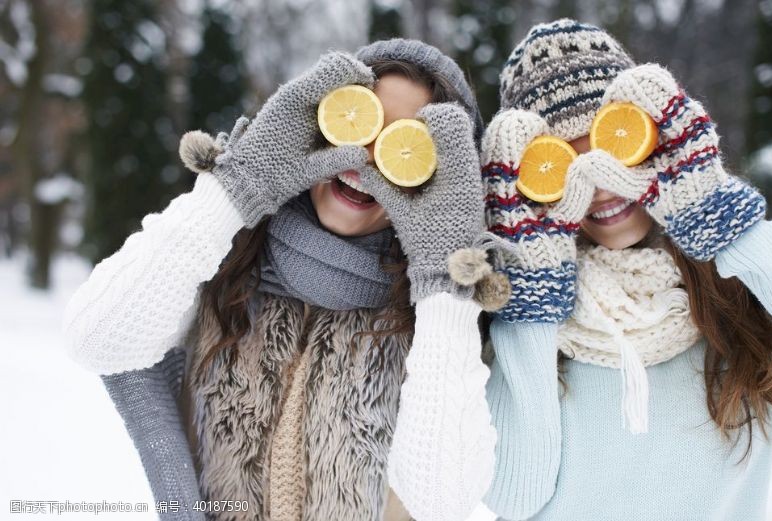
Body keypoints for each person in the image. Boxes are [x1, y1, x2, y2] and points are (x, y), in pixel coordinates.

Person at [62, 39, 496, 521]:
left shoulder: (444, 323)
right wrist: (237, 188)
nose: (364, 161)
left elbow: (443, 501)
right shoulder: (220, 255)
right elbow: (97, 340)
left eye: (404, 146)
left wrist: (443, 281)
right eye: (358, 120)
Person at [474, 19, 772, 520]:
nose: (598, 182)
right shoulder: (521, 325)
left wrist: (714, 214)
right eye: (562, 164)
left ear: (654, 141)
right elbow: (510, 498)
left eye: (612, 147)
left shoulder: (741, 287)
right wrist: (532, 295)